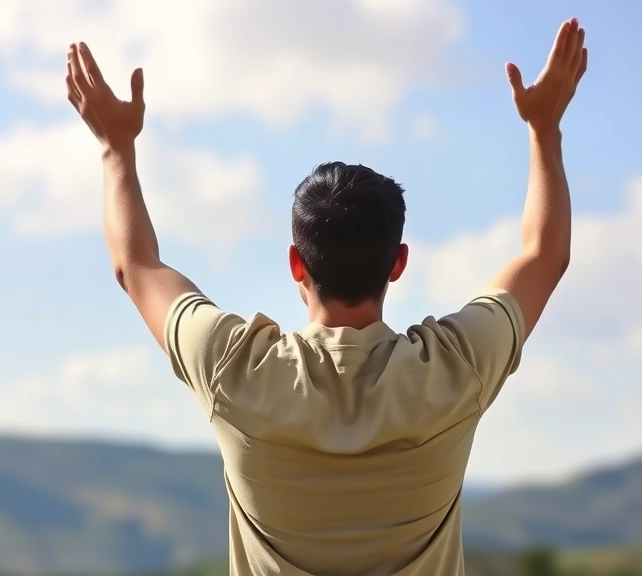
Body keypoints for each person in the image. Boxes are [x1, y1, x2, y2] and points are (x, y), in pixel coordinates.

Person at [65, 16, 587, 576]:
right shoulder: (455, 369)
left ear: (297, 263)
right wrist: (544, 128)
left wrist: (116, 148)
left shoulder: (236, 370)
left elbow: (136, 266)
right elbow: (544, 256)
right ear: (398, 264)